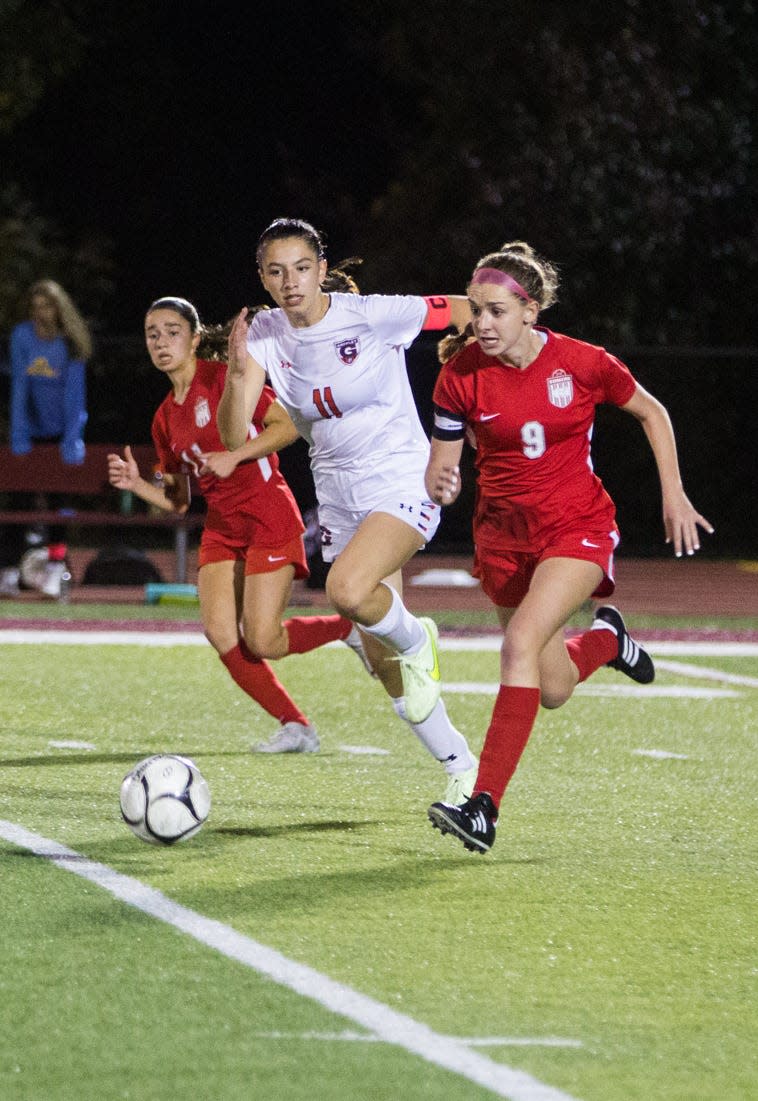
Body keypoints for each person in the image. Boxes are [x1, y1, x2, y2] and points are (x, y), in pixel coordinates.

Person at [425, 241, 714, 853]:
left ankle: (483, 807)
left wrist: (674, 495)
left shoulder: (582, 363)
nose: (482, 323)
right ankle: (608, 640)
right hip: (502, 538)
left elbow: (652, 413)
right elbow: (441, 466)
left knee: (519, 643)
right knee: (551, 685)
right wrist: (442, 482)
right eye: (476, 310)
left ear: (531, 310)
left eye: (497, 311)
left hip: (575, 526)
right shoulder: (458, 376)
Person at [218, 217, 479, 802]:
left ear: (320, 268)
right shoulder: (262, 332)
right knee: (383, 666)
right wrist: (238, 373)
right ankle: (463, 771)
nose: (291, 282)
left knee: (347, 590)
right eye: (277, 272)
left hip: (401, 479)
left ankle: (420, 640)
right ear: (262, 278)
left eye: (302, 268)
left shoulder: (371, 315)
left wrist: (463, 394)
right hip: (338, 497)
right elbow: (235, 440)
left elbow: (464, 309)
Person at [108, 296, 370, 754]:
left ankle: (347, 630)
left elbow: (286, 426)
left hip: (267, 513)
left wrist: (236, 455)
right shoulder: (164, 417)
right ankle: (296, 726)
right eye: (153, 333)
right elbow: (178, 502)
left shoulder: (222, 378)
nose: (161, 341)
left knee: (264, 639)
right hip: (222, 526)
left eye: (172, 331)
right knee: (221, 633)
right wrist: (136, 484)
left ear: (194, 338)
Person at [9, 279, 90, 465]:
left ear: (59, 309)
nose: (40, 313)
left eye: (46, 306)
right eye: (35, 307)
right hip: (33, 430)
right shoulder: (21, 336)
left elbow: (75, 396)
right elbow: (20, 387)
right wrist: (19, 437)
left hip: (64, 431)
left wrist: (71, 442)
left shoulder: (71, 341)